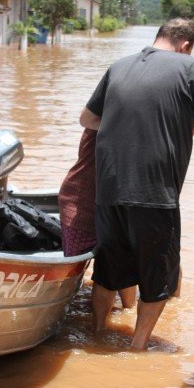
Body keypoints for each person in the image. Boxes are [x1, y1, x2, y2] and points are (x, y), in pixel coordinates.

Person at [80, 18, 194, 350]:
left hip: (109, 192)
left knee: (107, 272)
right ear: (186, 45)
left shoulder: (119, 66)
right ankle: (137, 347)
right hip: (155, 194)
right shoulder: (189, 66)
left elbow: (87, 118)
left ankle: (95, 335)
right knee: (158, 277)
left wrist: (126, 118)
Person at [58, 129, 137, 309]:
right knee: (73, 272)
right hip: (81, 201)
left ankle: (128, 313)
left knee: (123, 263)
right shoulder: (103, 116)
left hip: (115, 201)